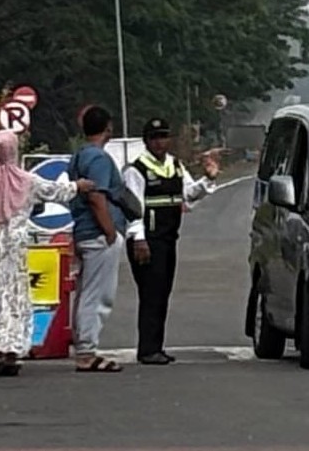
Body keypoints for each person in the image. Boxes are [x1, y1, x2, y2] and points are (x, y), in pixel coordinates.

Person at [0, 129, 92, 378]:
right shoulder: (26, 180)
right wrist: (77, 186)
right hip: (15, 244)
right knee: (12, 296)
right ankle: (10, 350)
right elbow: (55, 191)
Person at [122, 118, 221, 365]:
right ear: (146, 141)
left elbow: (188, 195)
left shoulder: (175, 166)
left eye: (163, 137)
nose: (159, 142)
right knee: (151, 293)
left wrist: (207, 179)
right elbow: (133, 207)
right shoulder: (137, 169)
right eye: (154, 138)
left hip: (168, 238)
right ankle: (147, 349)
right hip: (147, 239)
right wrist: (138, 239)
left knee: (162, 292)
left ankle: (156, 346)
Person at [67, 106, 128, 373]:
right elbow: (96, 196)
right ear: (109, 127)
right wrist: (110, 231)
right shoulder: (99, 159)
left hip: (82, 230)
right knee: (97, 294)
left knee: (85, 292)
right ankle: (86, 350)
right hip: (97, 232)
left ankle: (83, 344)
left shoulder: (78, 156)